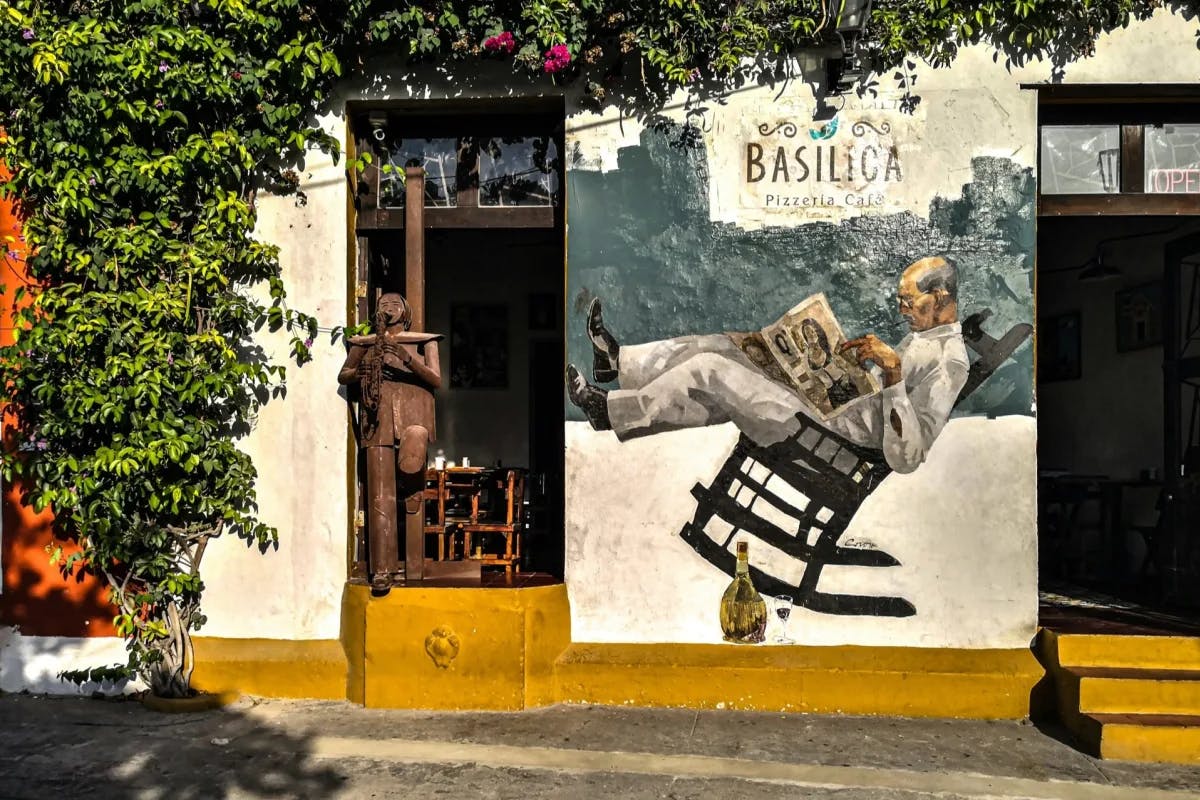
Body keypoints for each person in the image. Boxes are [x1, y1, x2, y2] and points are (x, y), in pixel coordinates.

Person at [567, 256, 970, 474]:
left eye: (908, 301)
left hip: (826, 439)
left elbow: (908, 457)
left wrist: (894, 375)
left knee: (711, 369)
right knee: (727, 344)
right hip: (824, 413)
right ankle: (618, 362)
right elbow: (880, 398)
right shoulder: (924, 337)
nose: (901, 310)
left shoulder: (950, 362)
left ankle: (610, 412)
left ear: (941, 296)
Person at [338, 293, 442, 592]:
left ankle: (414, 563)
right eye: (383, 304)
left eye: (395, 304)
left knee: (412, 475)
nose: (389, 307)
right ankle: (382, 570)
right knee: (380, 494)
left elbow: (435, 379)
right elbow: (344, 375)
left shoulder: (424, 341)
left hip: (414, 413)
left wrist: (405, 356)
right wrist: (363, 371)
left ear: (406, 311)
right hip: (377, 417)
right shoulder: (365, 343)